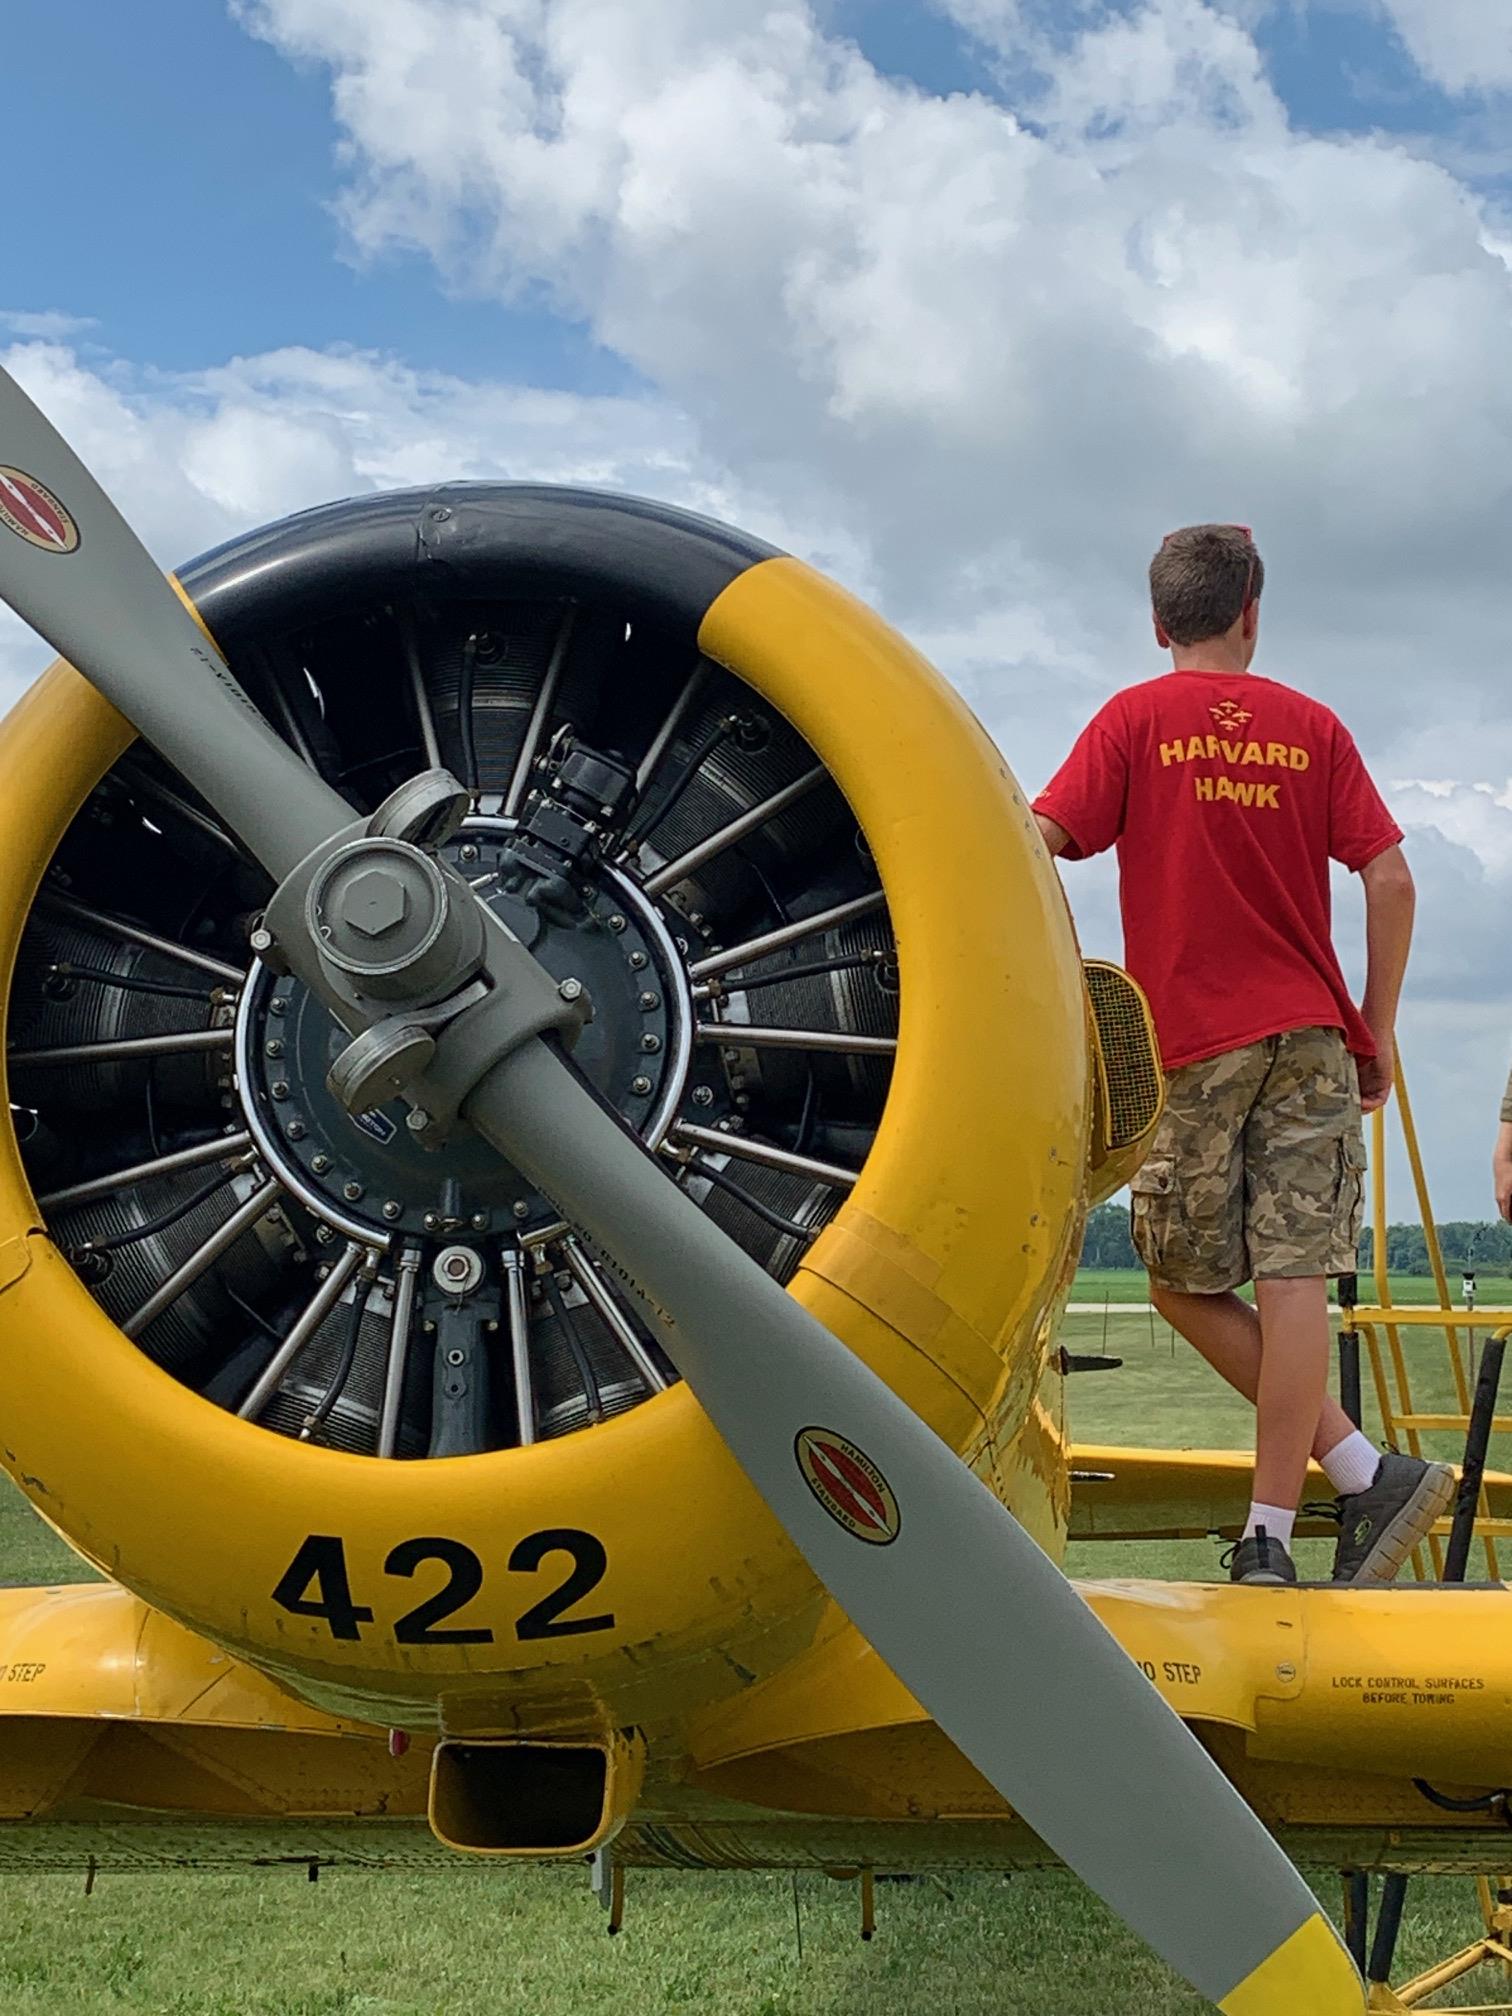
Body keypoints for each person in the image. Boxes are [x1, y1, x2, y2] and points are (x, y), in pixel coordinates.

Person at [1033, 523, 1452, 1586]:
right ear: (1253, 614)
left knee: (1180, 1283)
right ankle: (1290, 1516)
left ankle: (1353, 1478)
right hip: (1312, 1035)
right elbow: (1392, 878)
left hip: (1194, 1044)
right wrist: (1378, 1020)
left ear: (1160, 622)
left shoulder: (1133, 719)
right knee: (1296, 1278)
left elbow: (1037, 840)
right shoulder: (1312, 727)